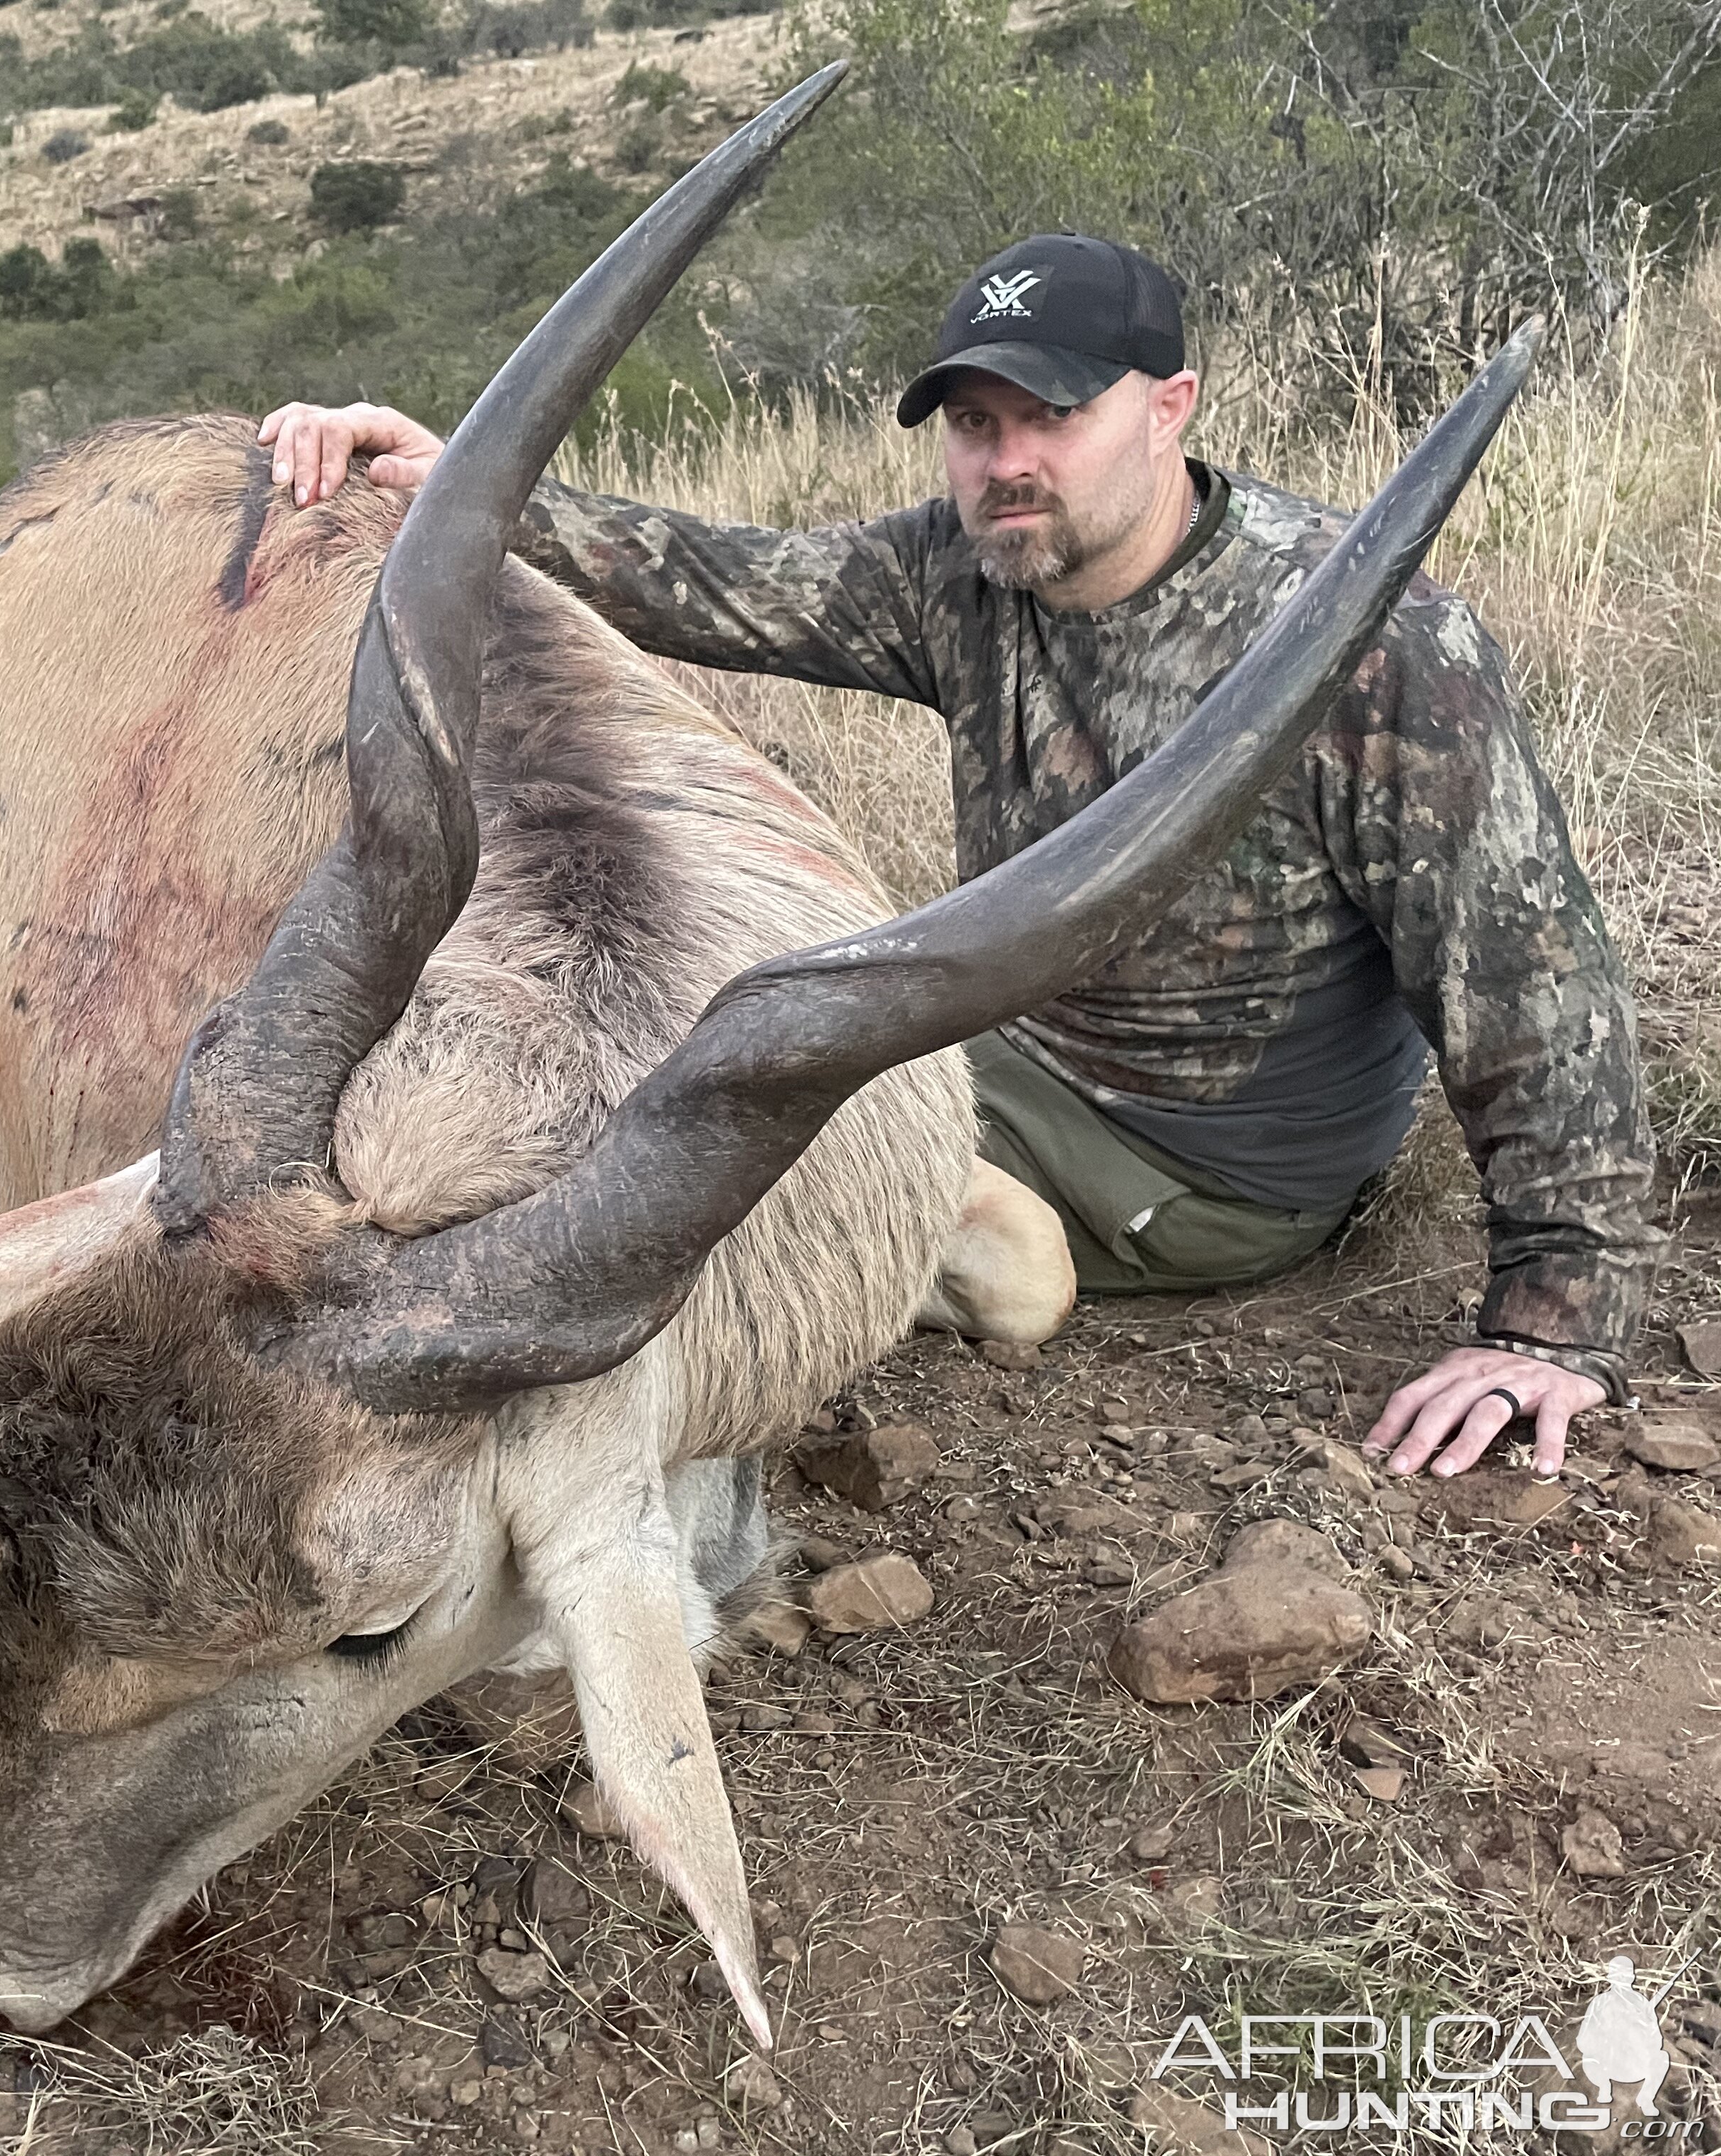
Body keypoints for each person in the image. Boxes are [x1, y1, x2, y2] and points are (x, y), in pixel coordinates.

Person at [257, 232, 1658, 1482]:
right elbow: (723, 581)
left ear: (1171, 408)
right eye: (974, 425)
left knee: (707, 1158)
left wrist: (1554, 1325)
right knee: (684, 1046)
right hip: (1009, 1049)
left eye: (1051, 415)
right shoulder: (971, 567)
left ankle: (492, 1431)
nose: (1006, 464)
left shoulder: (1374, 642)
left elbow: (1535, 990)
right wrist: (456, 484)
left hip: (1206, 1158)